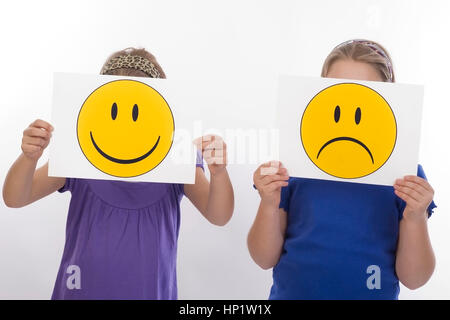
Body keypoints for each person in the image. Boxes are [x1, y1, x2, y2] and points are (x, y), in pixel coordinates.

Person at [2, 47, 234, 300]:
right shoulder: (81, 153)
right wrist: (29, 157)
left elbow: (218, 215)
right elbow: (15, 198)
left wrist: (219, 173)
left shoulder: (177, 159)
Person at [248, 39, 436, 299]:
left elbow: (415, 279)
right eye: (337, 89)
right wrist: (268, 203)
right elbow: (263, 258)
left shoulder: (404, 174)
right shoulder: (292, 165)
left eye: (364, 92)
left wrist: (415, 217)